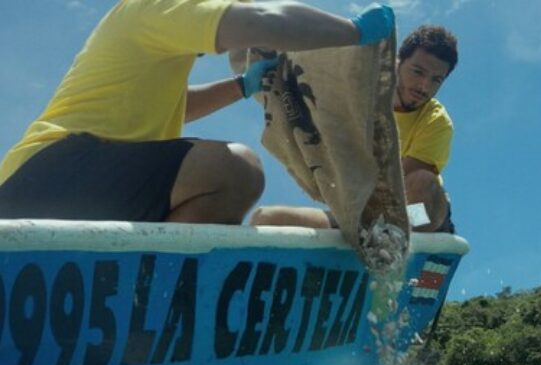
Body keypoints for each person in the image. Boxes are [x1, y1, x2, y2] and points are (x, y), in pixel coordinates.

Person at [0, 1, 395, 224]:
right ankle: (155, 304)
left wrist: (243, 86)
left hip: (48, 185)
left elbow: (178, 105)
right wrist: (355, 33)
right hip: (54, 171)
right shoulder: (156, 6)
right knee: (236, 170)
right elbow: (260, 22)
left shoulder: (150, 42)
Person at [250, 25, 458, 233]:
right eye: (417, 72)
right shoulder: (359, 95)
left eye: (436, 79)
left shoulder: (436, 121)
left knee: (423, 182)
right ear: (397, 63)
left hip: (415, 217)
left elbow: (397, 186)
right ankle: (365, 245)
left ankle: (396, 246)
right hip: (360, 218)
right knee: (266, 219)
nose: (424, 86)